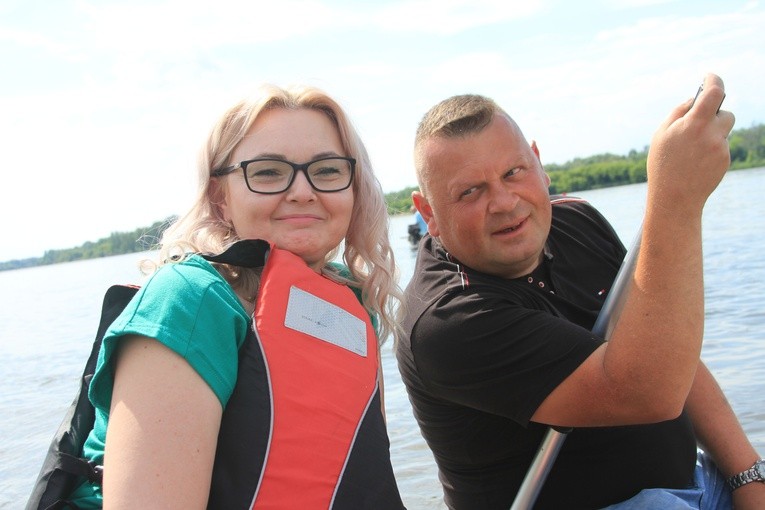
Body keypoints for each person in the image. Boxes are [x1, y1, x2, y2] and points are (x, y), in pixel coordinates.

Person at [396, 74, 764, 509]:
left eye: (513, 172)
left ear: (538, 163)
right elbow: (647, 392)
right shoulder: (447, 319)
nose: (505, 202)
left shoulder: (576, 219)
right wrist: (676, 196)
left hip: (695, 482)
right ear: (428, 212)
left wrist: (748, 478)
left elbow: (670, 348)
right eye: (470, 192)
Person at [64, 84, 406, 508]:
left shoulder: (354, 305)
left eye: (328, 170)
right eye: (267, 172)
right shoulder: (189, 301)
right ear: (220, 198)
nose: (302, 191)